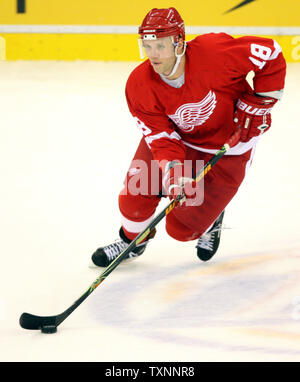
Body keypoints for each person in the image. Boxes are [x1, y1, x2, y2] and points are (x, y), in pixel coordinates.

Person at [90, 7, 286, 267]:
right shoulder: (139, 84)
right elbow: (161, 138)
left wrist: (260, 102)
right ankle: (132, 242)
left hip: (228, 147)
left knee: (181, 229)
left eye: (160, 46)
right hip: (180, 141)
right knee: (133, 199)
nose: (153, 55)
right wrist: (174, 173)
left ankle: (212, 220)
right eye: (147, 46)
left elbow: (271, 54)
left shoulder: (215, 52)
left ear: (179, 42)